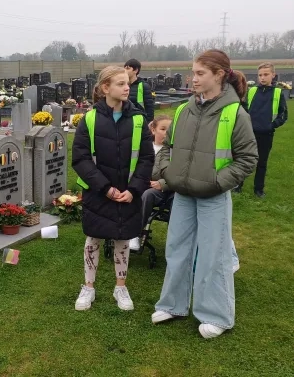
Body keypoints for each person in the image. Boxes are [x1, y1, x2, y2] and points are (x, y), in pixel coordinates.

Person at [152, 49, 258, 339]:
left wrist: (216, 182)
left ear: (219, 75)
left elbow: (248, 159)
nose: (193, 78)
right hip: (183, 194)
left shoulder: (235, 113)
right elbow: (168, 146)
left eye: (200, 73)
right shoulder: (185, 109)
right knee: (176, 249)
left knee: (214, 255)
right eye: (193, 72)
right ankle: (173, 305)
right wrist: (166, 173)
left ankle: (217, 315)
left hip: (213, 196)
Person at [72, 66, 154, 312]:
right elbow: (80, 158)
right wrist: (104, 188)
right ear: (106, 88)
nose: (127, 87)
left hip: (127, 193)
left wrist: (135, 189)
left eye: (127, 82)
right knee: (93, 238)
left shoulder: (138, 119)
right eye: (120, 83)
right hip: (99, 193)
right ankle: (88, 287)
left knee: (122, 240)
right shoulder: (90, 118)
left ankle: (120, 287)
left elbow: (147, 159)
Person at [233, 62, 288, 197]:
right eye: (260, 75)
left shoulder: (278, 93)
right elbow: (244, 110)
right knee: (243, 159)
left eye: (266, 74)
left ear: (273, 75)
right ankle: (238, 185)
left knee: (261, 162)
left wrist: (272, 125)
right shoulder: (251, 91)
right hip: (249, 133)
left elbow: (283, 114)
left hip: (266, 134)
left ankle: (258, 189)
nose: (262, 78)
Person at [128, 115, 173, 251]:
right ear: (153, 130)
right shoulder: (146, 148)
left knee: (151, 195)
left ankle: (135, 234)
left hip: (166, 189)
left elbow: (179, 172)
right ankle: (128, 232)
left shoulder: (174, 150)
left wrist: (163, 183)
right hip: (144, 186)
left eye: (169, 129)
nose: (166, 132)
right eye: (163, 129)